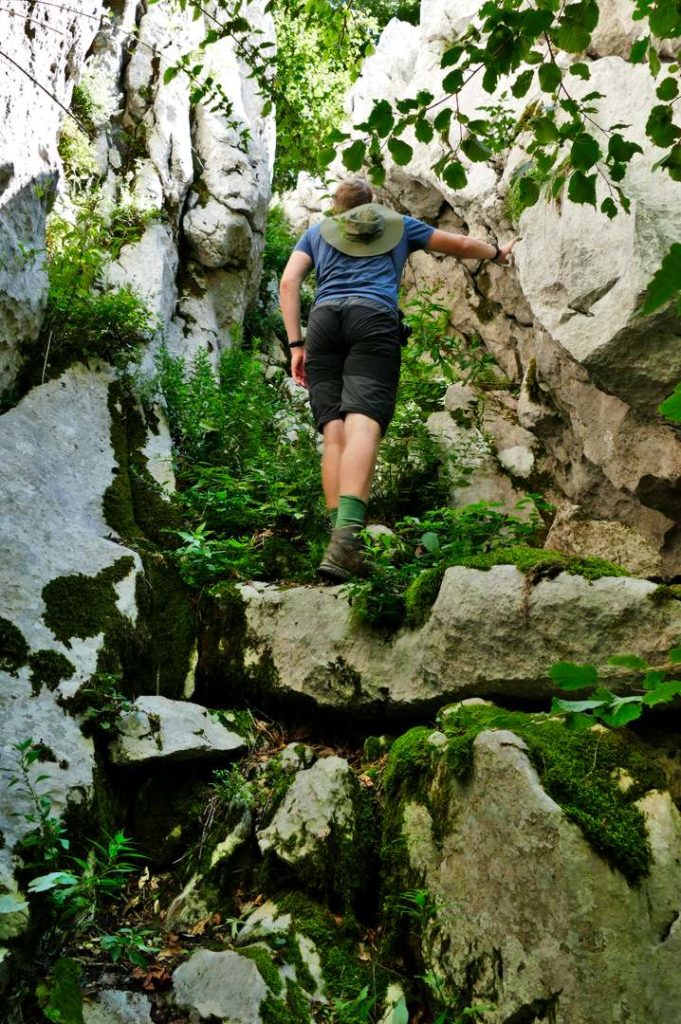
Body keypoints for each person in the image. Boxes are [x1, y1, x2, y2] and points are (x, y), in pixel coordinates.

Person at [279, 176, 516, 582]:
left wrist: (296, 345)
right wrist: (496, 252)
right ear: (371, 202)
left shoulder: (317, 232)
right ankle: (347, 542)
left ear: (337, 208)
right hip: (372, 319)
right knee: (363, 421)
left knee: (334, 431)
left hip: (322, 325)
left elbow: (288, 283)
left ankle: (339, 541)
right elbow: (457, 245)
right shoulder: (399, 224)